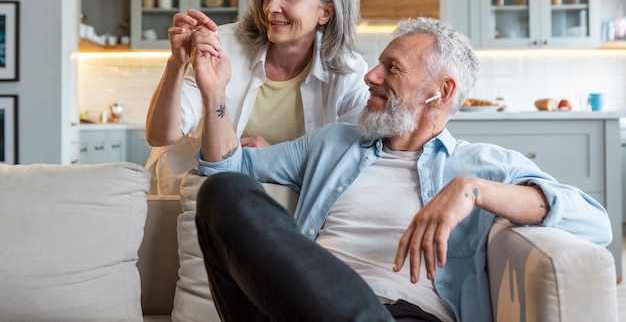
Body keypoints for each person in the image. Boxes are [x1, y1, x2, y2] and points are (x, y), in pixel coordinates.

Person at [192, 17, 612, 322]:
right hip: (297, 304)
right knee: (223, 192)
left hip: (404, 315)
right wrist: (214, 91)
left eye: (391, 68)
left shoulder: (482, 164)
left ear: (440, 91)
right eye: (378, 64)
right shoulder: (332, 142)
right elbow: (223, 166)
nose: (371, 76)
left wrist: (471, 190)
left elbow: (594, 221)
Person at [144, 0, 369, 194]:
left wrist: (272, 158)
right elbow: (161, 135)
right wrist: (177, 63)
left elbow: (353, 163)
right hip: (184, 194)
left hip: (267, 204)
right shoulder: (222, 46)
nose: (271, 6)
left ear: (325, 13)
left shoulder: (348, 72)